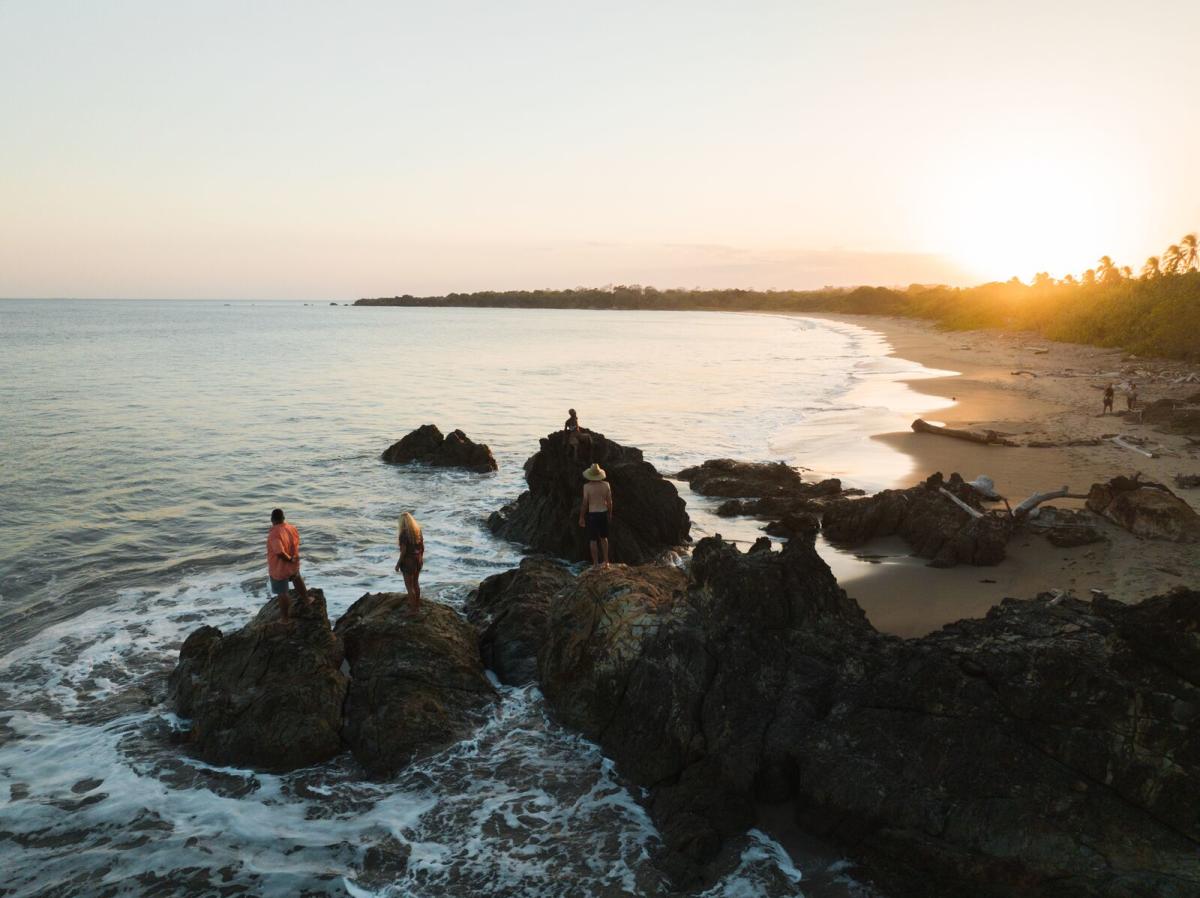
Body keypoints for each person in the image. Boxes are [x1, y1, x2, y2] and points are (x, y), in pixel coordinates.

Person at [267, 508, 308, 621]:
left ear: (272, 520)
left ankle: (285, 619)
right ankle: (307, 600)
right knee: (297, 578)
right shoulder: (292, 528)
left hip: (279, 568)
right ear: (283, 518)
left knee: (282, 592)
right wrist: (292, 560)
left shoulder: (274, 533)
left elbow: (279, 552)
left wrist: (289, 559)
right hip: (293, 564)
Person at [578, 463, 613, 566]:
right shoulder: (606, 485)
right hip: (603, 513)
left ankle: (596, 564)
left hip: (592, 515)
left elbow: (585, 504)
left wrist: (581, 517)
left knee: (593, 540)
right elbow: (610, 502)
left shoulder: (587, 487)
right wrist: (610, 514)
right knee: (604, 538)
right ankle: (606, 562)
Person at [394, 512, 425, 613]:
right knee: (415, 584)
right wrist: (421, 559)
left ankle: (413, 610)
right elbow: (422, 547)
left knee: (409, 586)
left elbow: (404, 552)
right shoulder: (418, 530)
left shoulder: (403, 534)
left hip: (408, 562)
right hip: (418, 559)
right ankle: (417, 605)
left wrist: (398, 564)